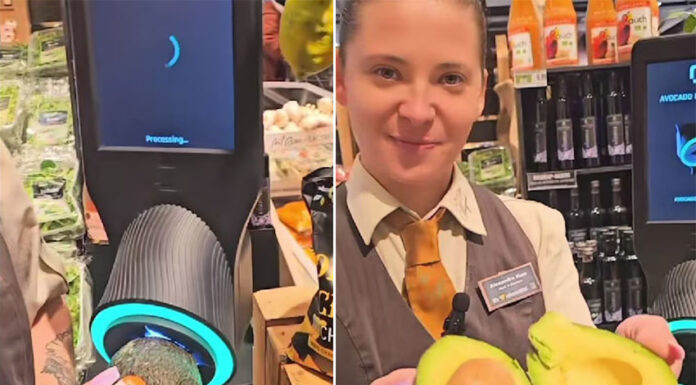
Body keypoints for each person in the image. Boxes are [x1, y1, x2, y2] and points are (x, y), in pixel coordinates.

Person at [334, 0, 685, 384]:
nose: (418, 111)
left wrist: (621, 364)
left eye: (450, 78)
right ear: (341, 78)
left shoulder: (537, 231)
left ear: (481, 92)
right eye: (387, 72)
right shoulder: (303, 261)